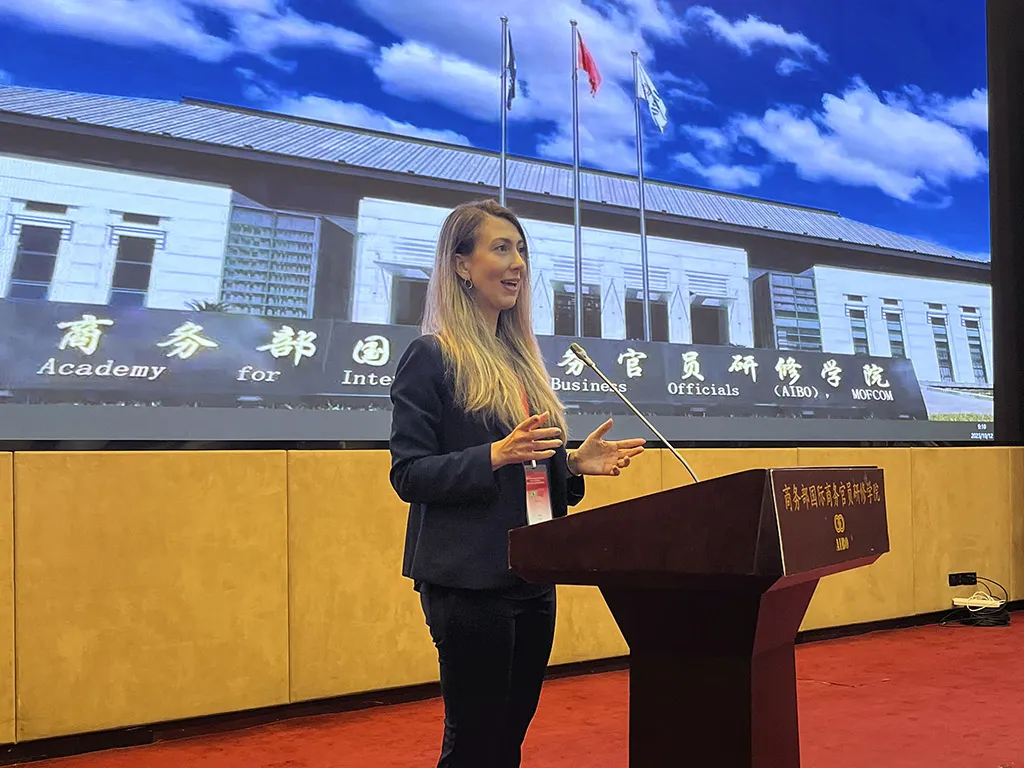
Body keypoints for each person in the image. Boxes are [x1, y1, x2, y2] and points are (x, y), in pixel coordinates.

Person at [388, 199, 646, 768]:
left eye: (522, 250)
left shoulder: (521, 361)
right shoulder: (431, 357)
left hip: (531, 573)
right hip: (468, 580)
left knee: (508, 739)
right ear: (461, 264)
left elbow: (529, 471)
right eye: (501, 248)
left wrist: (571, 467)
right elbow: (408, 473)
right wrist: (493, 455)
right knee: (475, 743)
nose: (517, 264)